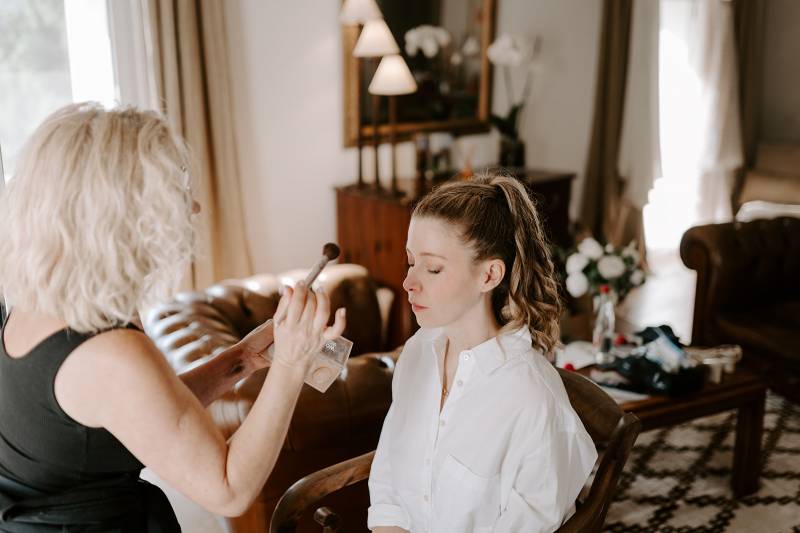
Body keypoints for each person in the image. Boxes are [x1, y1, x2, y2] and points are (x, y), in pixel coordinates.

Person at [0, 103, 345, 531]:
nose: (194, 208)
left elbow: (141, 410)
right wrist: (291, 365)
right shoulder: (109, 351)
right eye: (173, 194)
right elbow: (229, 489)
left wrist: (241, 359)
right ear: (121, 214)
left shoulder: (34, 302)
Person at [367, 175, 598, 533]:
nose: (409, 282)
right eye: (410, 262)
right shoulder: (418, 351)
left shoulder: (531, 399)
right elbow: (388, 486)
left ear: (489, 275)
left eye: (433, 268)